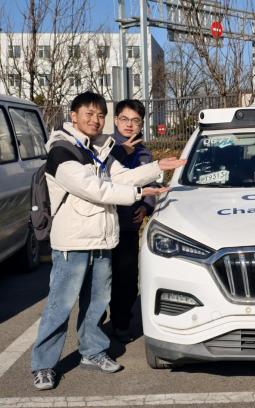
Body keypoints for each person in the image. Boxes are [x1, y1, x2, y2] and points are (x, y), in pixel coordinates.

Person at [31, 92, 185, 390]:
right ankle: (43, 364)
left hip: (103, 238)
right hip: (73, 243)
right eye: (89, 114)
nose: (95, 120)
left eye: (100, 115)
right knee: (59, 306)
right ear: (73, 116)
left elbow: (122, 176)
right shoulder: (62, 151)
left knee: (96, 303)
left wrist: (157, 167)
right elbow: (95, 189)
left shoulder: (98, 149)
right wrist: (139, 194)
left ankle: (92, 351)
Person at [108, 99, 153, 343]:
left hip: (127, 227)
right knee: (99, 281)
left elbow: (152, 184)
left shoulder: (145, 153)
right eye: (125, 119)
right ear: (115, 120)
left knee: (126, 279)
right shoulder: (103, 147)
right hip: (103, 225)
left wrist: (146, 207)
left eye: (136, 121)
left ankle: (121, 324)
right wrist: (118, 152)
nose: (129, 125)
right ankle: (93, 330)